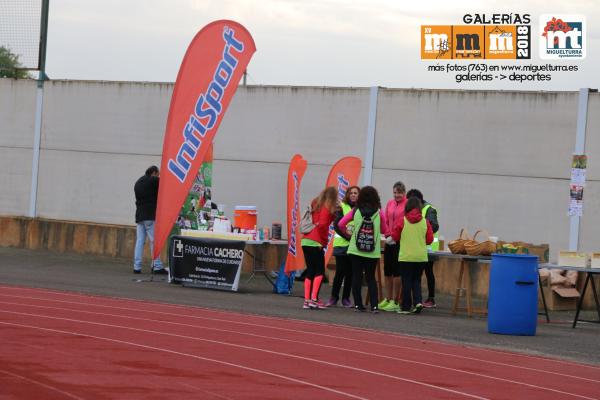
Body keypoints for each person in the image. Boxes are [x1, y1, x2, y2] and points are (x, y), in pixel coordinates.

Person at [338, 186, 385, 313]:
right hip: (372, 251)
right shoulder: (379, 212)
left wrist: (349, 235)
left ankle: (359, 305)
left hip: (355, 249)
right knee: (371, 278)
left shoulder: (355, 210)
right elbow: (385, 230)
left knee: (356, 276)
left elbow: (341, 224)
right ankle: (374, 306)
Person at [391, 197, 433, 314]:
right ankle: (418, 302)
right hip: (420, 257)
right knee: (416, 280)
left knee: (406, 281)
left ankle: (405, 306)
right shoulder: (425, 222)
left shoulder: (402, 220)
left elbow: (395, 237)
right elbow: (429, 240)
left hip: (406, 256)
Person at [300, 186, 338, 309]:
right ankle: (314, 299)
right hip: (316, 241)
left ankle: (307, 300)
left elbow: (323, 220)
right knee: (320, 271)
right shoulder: (327, 207)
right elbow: (322, 225)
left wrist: (333, 215)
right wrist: (323, 241)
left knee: (310, 270)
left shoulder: (316, 202)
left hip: (305, 240)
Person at [326, 185, 360, 307]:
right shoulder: (342, 207)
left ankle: (346, 299)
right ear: (347, 195)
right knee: (340, 272)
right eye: (351, 193)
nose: (353, 195)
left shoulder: (361, 209)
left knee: (350, 273)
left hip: (354, 246)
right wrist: (347, 236)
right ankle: (334, 297)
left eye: (356, 193)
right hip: (341, 244)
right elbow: (336, 225)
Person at [406, 189, 440, 308]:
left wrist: (422, 227)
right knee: (417, 274)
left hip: (429, 247)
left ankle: (431, 298)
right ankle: (417, 299)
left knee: (428, 272)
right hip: (417, 247)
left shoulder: (429, 209)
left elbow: (434, 226)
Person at [133, 165, 167, 274]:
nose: (158, 176)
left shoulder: (138, 182)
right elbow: (165, 185)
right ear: (154, 173)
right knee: (154, 241)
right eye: (158, 174)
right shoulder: (153, 180)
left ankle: (136, 267)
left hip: (139, 216)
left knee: (140, 241)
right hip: (150, 216)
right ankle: (157, 266)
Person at [379, 181, 407, 312]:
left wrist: (395, 237)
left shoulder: (407, 205)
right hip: (389, 240)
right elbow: (385, 220)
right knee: (387, 270)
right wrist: (387, 234)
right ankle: (388, 298)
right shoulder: (390, 203)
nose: (397, 195)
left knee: (397, 271)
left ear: (404, 193)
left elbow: (404, 223)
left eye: (399, 193)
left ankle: (396, 300)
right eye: (395, 192)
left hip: (400, 241)